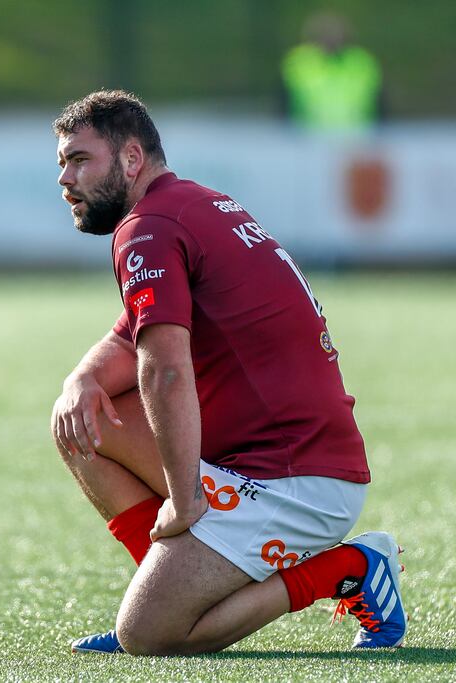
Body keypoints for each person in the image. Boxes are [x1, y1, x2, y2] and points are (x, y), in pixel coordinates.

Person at [50, 90, 406, 655]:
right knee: (85, 415)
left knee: (145, 636)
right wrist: (80, 381)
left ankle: (350, 567)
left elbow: (163, 370)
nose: (66, 179)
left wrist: (187, 498)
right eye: (63, 163)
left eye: (80, 160)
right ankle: (171, 588)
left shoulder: (146, 228)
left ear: (132, 159)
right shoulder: (192, 205)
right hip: (285, 463)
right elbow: (127, 337)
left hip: (292, 482)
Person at [281, 12, 383, 131]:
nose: (330, 38)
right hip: (307, 138)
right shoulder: (299, 62)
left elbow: (379, 102)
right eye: (325, 33)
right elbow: (283, 101)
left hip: (356, 138)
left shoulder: (361, 62)